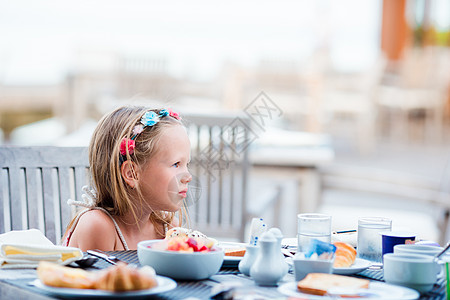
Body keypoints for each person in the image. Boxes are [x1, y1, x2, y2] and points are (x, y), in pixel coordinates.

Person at [62, 106, 192, 251]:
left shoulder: (168, 229)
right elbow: (105, 275)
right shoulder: (98, 226)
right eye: (176, 164)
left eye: (187, 164)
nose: (188, 177)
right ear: (131, 174)